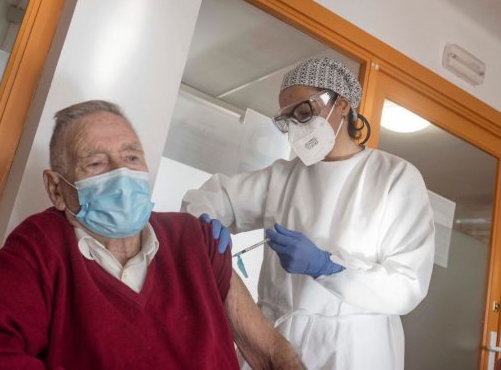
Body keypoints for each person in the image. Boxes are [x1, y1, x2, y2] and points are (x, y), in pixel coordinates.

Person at [0, 100, 304, 369]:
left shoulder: (194, 239)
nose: (121, 173)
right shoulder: (39, 246)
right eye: (95, 163)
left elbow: (271, 351)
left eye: (131, 157)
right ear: (57, 189)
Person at [182, 58, 435, 369]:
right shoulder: (282, 176)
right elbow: (206, 200)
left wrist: (328, 267)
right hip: (277, 344)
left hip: (354, 351)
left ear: (342, 104)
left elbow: (407, 287)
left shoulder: (394, 178)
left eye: (304, 112)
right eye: (288, 119)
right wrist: (205, 228)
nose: (297, 127)